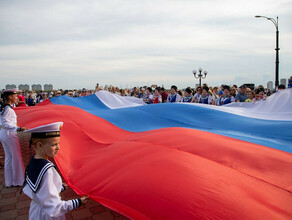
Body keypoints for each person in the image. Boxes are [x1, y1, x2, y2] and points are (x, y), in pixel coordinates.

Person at [23, 122, 88, 220]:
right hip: (47, 215)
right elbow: (53, 208)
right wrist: (77, 202)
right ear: (39, 145)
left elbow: (41, 190)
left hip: (37, 210)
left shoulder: (35, 160)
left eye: (58, 144)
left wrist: (60, 187)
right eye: (54, 144)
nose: (59, 148)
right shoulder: (47, 170)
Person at [0, 88, 26, 187]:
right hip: (9, 133)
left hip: (3, 133)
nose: (17, 97)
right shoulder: (8, 109)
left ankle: (9, 181)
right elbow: (7, 123)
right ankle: (18, 181)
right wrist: (18, 128)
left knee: (8, 158)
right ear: (10, 97)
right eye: (15, 96)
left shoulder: (3, 108)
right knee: (16, 156)